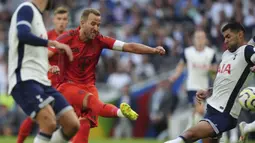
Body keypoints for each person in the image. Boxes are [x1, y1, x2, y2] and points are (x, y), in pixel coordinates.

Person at [49, 8, 165, 143]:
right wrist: (51, 66)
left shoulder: (100, 40)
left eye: (98, 25)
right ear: (82, 23)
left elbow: (129, 47)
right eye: (93, 24)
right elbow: (45, 55)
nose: (96, 28)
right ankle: (121, 112)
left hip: (88, 86)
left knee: (84, 128)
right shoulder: (67, 37)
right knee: (94, 103)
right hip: (67, 86)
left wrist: (153, 50)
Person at [164, 22, 255, 143]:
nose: (225, 41)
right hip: (211, 107)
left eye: (228, 36)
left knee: (189, 135)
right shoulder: (225, 55)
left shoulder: (247, 51)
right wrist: (209, 91)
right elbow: (225, 80)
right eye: (224, 38)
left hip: (224, 113)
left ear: (240, 35)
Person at [8, 1, 79, 143]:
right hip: (25, 77)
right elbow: (22, 34)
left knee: (72, 124)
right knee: (49, 122)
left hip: (42, 81)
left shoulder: (39, 18)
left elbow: (37, 55)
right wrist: (51, 43)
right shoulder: (26, 8)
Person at [168, 30, 217, 133]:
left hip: (205, 86)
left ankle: (188, 132)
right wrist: (175, 76)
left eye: (202, 37)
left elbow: (215, 69)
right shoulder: (187, 52)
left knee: (197, 112)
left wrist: (212, 70)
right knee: (200, 110)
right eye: (197, 37)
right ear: (193, 40)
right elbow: (181, 65)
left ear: (205, 40)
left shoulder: (210, 53)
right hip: (192, 86)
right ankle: (189, 133)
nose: (200, 40)